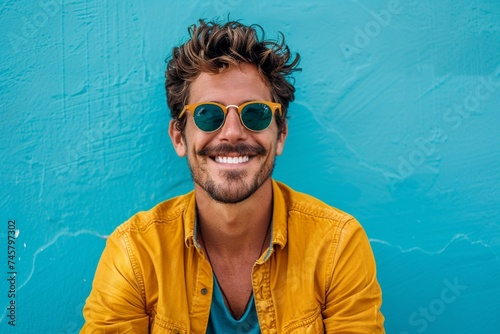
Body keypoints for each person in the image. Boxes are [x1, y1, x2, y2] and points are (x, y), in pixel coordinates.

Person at [81, 19, 384, 333]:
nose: (233, 133)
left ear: (280, 134)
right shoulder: (136, 252)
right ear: (179, 138)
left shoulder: (337, 245)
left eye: (255, 113)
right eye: (208, 114)